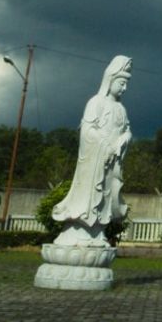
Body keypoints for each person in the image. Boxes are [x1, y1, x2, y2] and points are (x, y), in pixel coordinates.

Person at [53, 55, 133, 234]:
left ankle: (99, 229)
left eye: (127, 84)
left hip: (111, 164)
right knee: (89, 193)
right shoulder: (96, 102)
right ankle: (79, 226)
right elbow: (87, 131)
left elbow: (127, 130)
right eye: (122, 83)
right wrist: (105, 145)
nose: (125, 88)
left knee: (107, 193)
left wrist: (123, 139)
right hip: (95, 161)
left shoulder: (121, 109)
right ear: (111, 80)